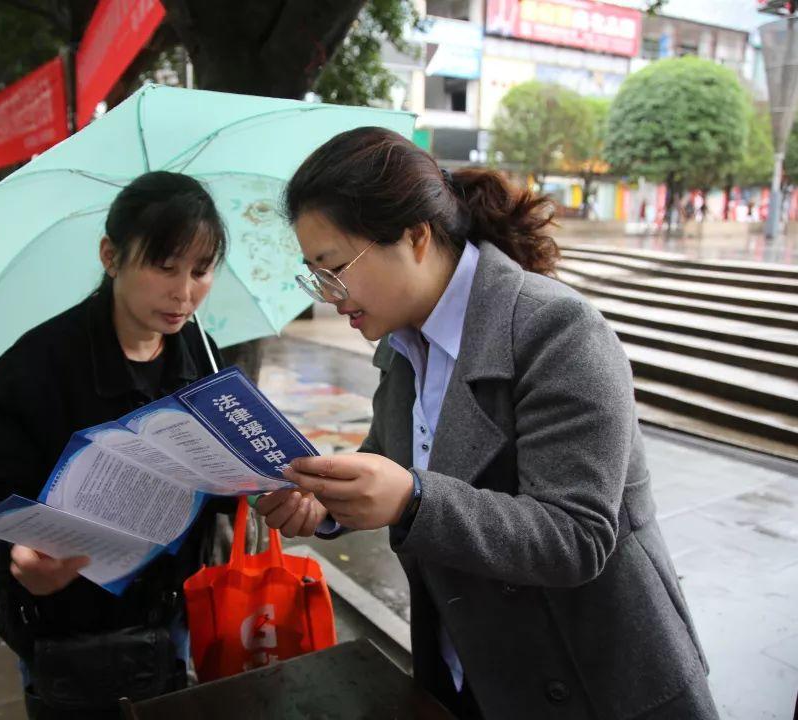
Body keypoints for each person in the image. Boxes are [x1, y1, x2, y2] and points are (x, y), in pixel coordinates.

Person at [256, 127, 719, 720]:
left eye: (335, 267)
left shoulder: (558, 331)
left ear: (416, 236)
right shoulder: (402, 343)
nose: (329, 295)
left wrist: (413, 501)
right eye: (316, 275)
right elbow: (391, 457)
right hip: (470, 671)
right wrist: (324, 503)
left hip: (596, 684)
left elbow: (576, 536)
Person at [0, 171, 228, 719]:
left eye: (201, 270)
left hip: (172, 622)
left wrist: (261, 483)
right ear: (111, 256)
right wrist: (14, 557)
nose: (184, 292)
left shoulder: (203, 356)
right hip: (65, 638)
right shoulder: (35, 367)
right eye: (163, 267)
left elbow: (216, 487)